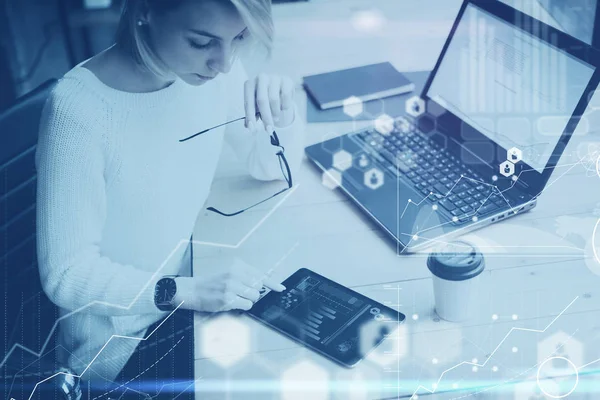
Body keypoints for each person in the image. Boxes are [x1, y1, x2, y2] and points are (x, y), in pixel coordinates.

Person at [35, 0, 303, 398]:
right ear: (144, 9)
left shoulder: (208, 72)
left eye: (239, 38)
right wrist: (186, 290)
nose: (225, 63)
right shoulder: (78, 111)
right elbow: (66, 276)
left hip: (187, 296)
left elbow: (268, 168)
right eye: (201, 42)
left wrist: (281, 109)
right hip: (118, 351)